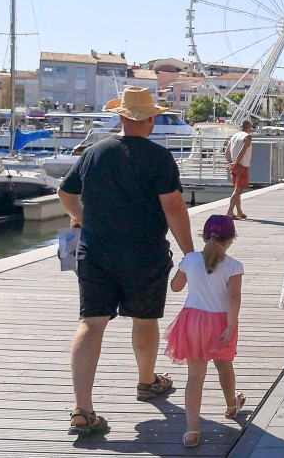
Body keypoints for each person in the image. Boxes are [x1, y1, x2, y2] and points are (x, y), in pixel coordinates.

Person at [59, 86, 194, 436]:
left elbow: (65, 192)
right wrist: (190, 253)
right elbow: (174, 208)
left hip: (94, 252)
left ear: (120, 116)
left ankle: (82, 408)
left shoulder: (94, 153)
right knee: (145, 318)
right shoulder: (158, 157)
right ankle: (147, 382)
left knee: (91, 322)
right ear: (149, 119)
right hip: (144, 253)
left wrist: (78, 218)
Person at [165, 215, 246, 448]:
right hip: (221, 322)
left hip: (192, 321)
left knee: (194, 377)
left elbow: (176, 287)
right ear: (231, 239)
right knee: (224, 365)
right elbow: (233, 296)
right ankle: (232, 406)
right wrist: (231, 326)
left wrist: (183, 268)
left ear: (204, 236)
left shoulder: (190, 260)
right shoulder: (234, 266)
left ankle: (192, 431)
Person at [225, 120, 253, 220]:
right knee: (238, 190)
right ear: (249, 127)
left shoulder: (234, 136)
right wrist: (236, 162)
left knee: (237, 189)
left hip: (234, 165)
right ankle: (230, 212)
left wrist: (230, 163)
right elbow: (243, 150)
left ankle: (239, 211)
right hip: (242, 165)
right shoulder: (247, 137)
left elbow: (227, 151)